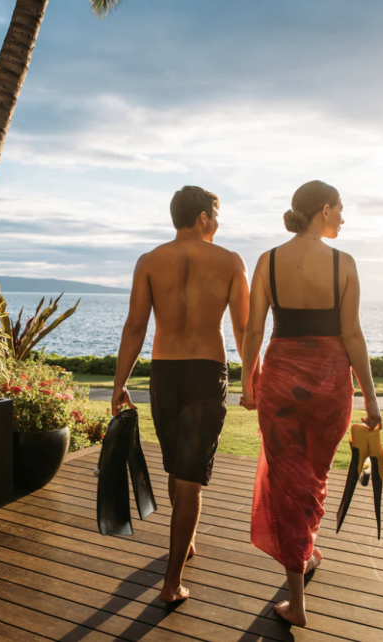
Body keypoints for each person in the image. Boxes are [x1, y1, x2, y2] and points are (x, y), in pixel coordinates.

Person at [239, 180, 381, 627]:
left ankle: (302, 567)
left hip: (280, 381)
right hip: (329, 383)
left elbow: (253, 333)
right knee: (313, 478)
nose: (343, 217)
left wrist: (248, 381)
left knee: (289, 481)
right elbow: (352, 335)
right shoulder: (343, 263)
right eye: (341, 209)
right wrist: (372, 397)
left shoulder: (268, 260)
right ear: (324, 209)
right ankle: (298, 598)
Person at [112, 185, 250, 604]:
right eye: (216, 214)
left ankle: (183, 541)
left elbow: (135, 326)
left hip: (165, 372)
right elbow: (243, 329)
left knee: (178, 468)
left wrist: (120, 383)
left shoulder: (150, 261)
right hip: (206, 372)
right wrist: (253, 378)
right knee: (189, 477)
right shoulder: (229, 261)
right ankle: (171, 583)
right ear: (204, 218)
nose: (218, 222)